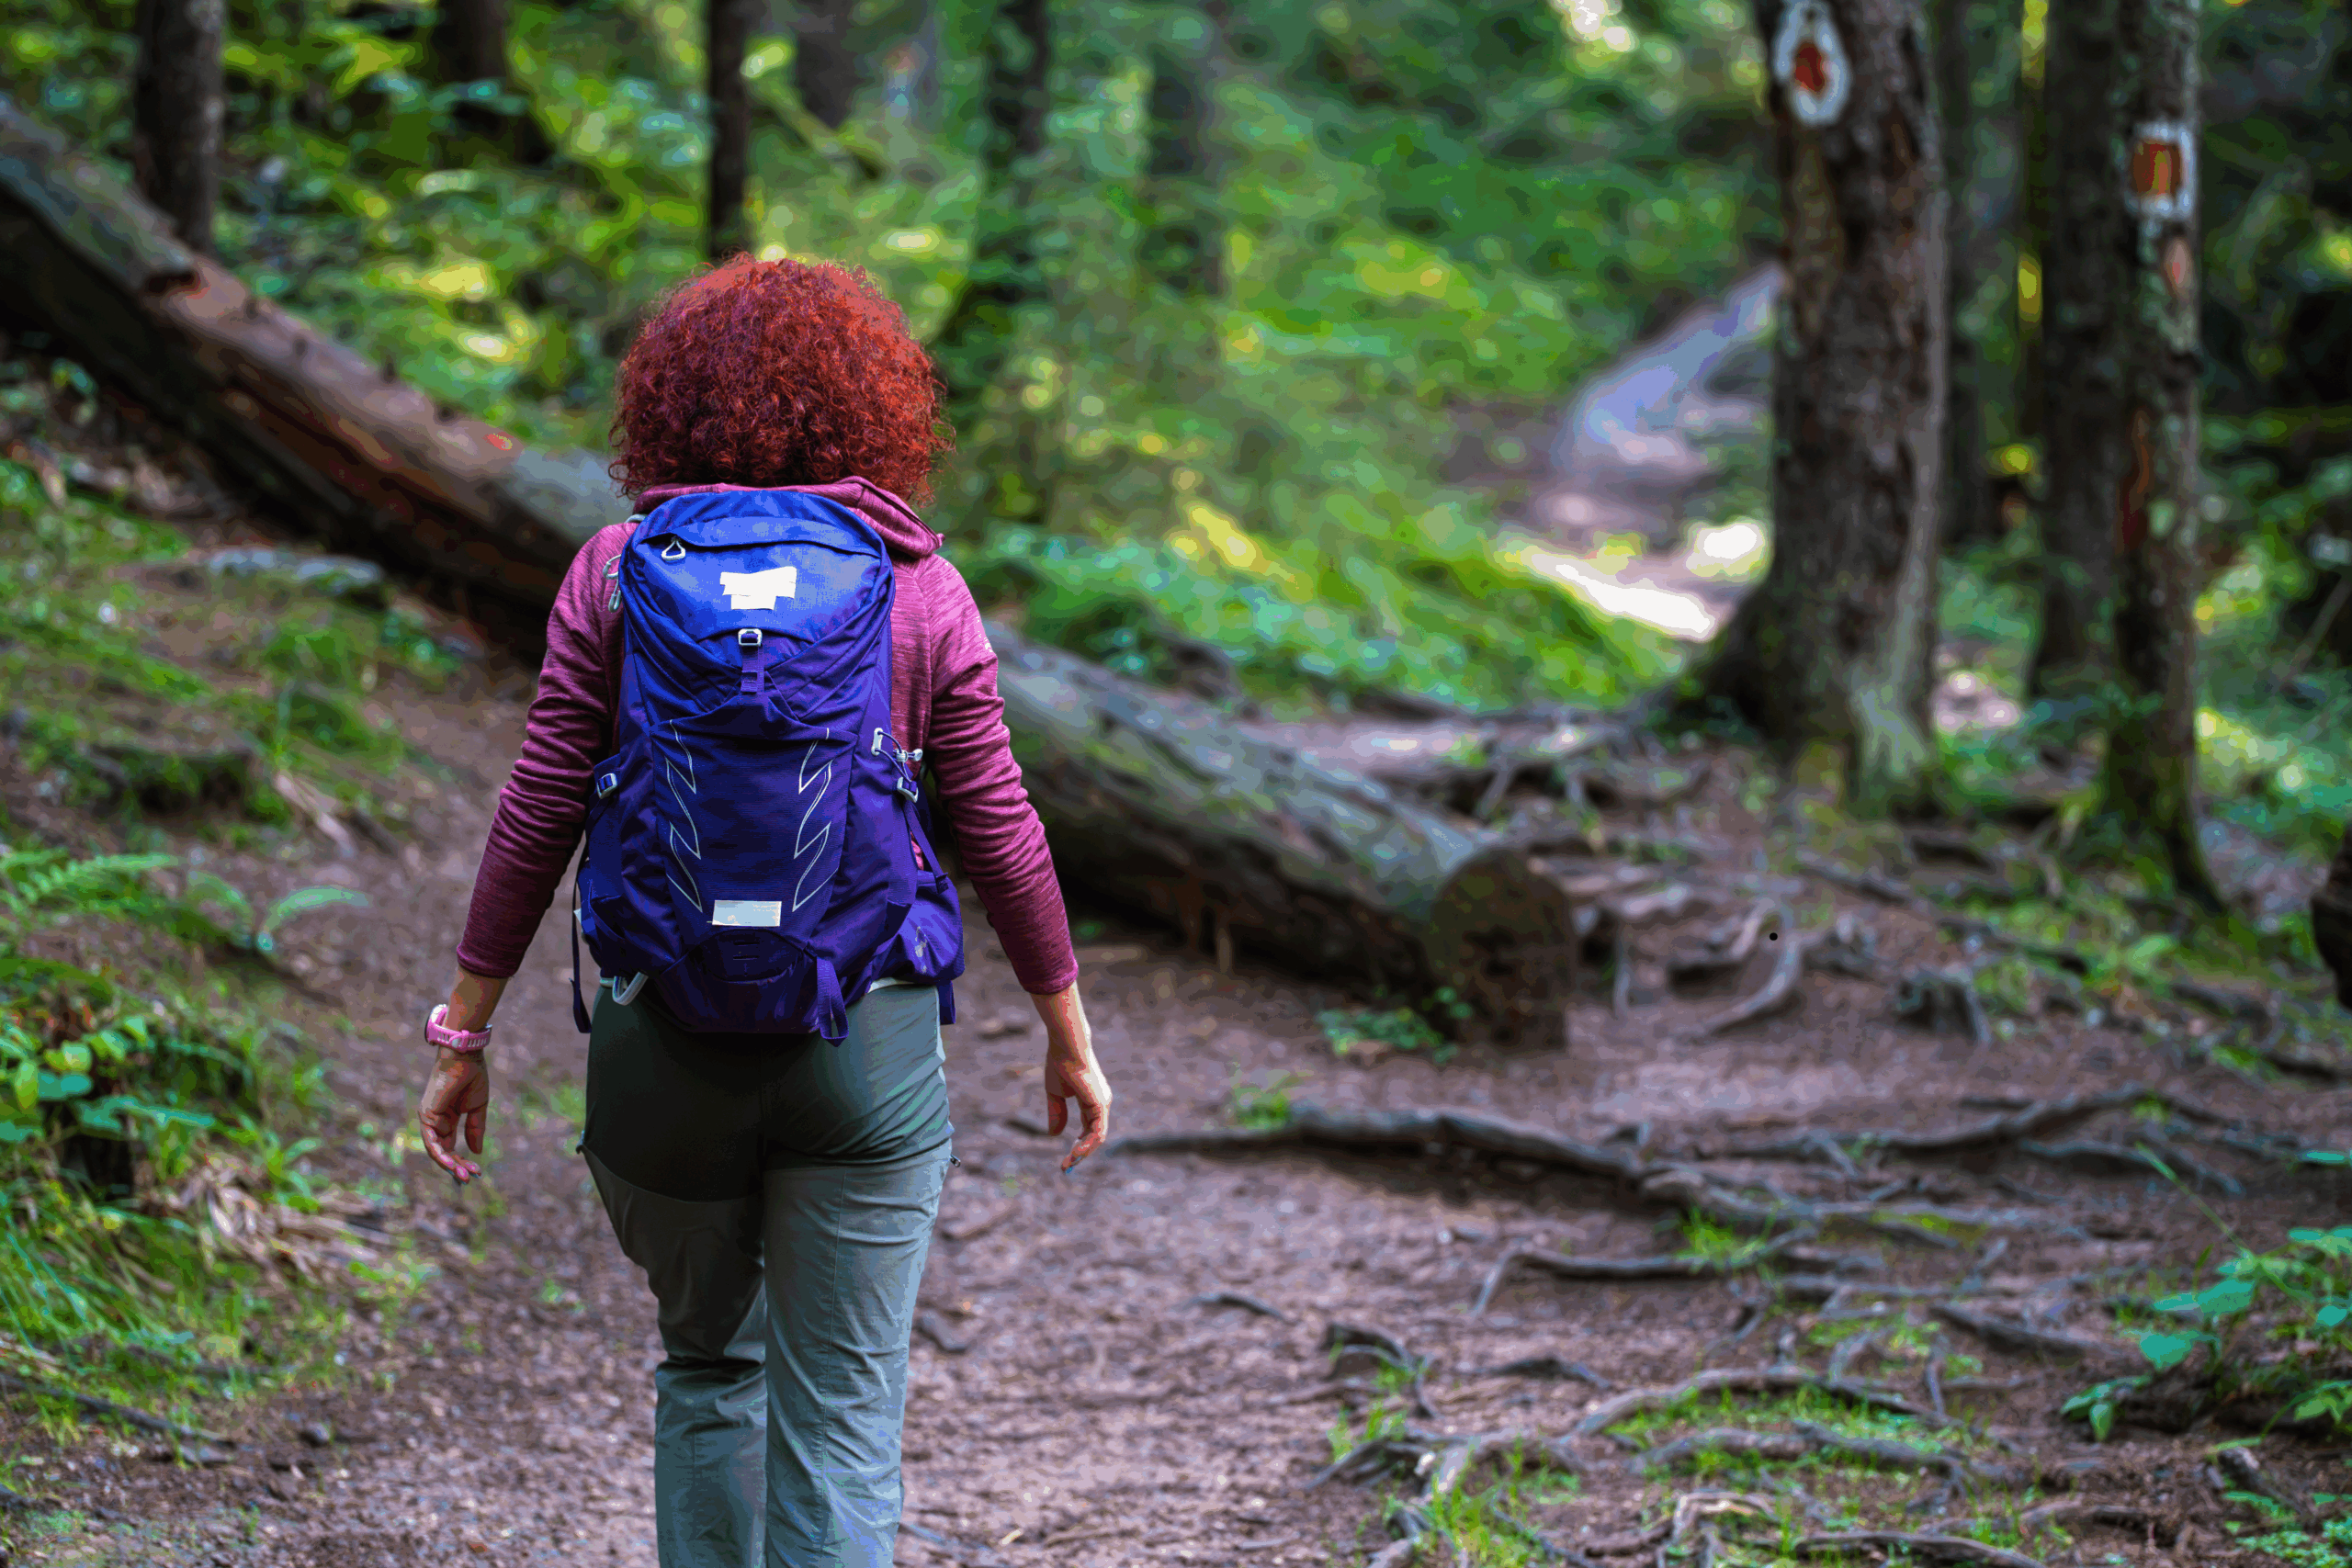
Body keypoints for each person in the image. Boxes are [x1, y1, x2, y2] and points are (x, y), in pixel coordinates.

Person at [412, 255, 1114, 1568]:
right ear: (878, 411)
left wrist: (466, 1029)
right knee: (841, 1416)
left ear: (665, 408)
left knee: (708, 1367)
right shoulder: (920, 584)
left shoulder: (617, 573)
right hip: (867, 1044)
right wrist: (1064, 1029)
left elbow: (538, 806)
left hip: (661, 1045)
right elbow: (1001, 830)